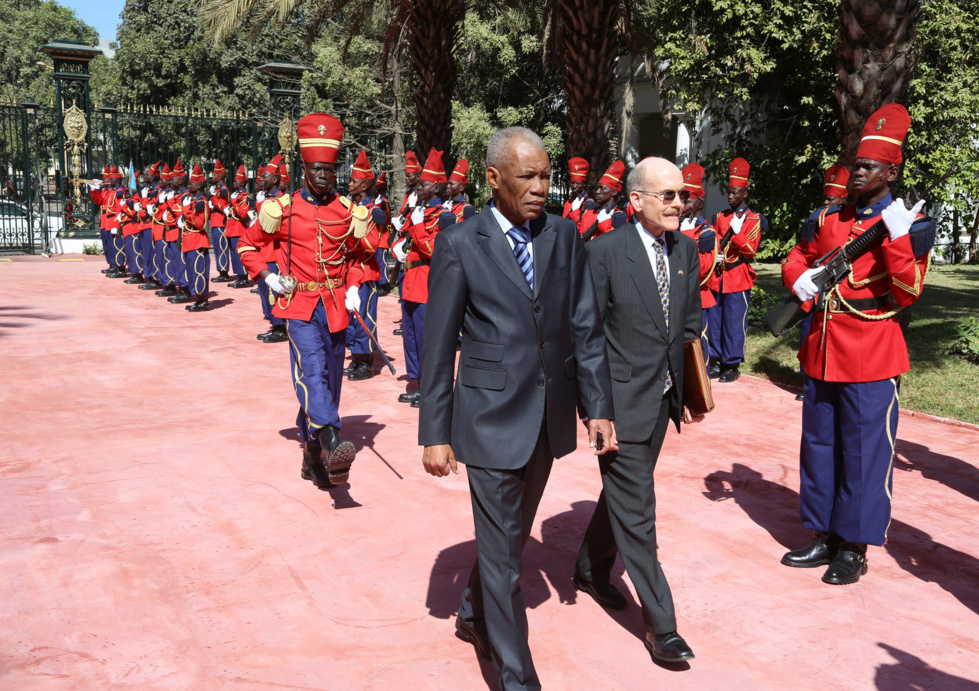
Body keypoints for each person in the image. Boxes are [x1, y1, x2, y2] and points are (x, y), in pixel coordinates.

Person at [419, 126, 615, 690]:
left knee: (508, 536)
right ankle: (516, 674)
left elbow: (585, 326)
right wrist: (435, 431)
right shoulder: (460, 242)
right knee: (506, 556)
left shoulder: (563, 236)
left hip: (548, 419)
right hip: (485, 419)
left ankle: (475, 613)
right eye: (527, 176)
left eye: (546, 176)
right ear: (493, 178)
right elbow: (438, 345)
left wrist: (596, 406)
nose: (540, 188)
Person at [780, 104, 934, 585]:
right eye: (856, 165)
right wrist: (798, 280)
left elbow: (908, 291)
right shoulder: (829, 216)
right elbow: (799, 256)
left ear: (892, 170)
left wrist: (894, 237)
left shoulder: (910, 226)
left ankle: (855, 546)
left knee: (865, 453)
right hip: (823, 349)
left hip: (871, 352)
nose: (856, 173)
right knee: (820, 446)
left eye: (867, 167)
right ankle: (824, 534)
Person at [573, 157, 699, 665]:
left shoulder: (686, 251)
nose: (678, 203)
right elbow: (586, 338)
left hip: (663, 401)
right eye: (666, 195)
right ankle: (662, 625)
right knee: (639, 511)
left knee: (624, 496)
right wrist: (595, 410)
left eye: (681, 195)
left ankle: (589, 567)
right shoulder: (603, 254)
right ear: (637, 201)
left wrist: (690, 391)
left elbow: (687, 327)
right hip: (619, 406)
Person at [237, 112, 367, 488]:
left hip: (337, 308)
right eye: (317, 169)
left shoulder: (346, 212)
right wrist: (268, 276)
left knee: (328, 385)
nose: (325, 177)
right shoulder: (284, 208)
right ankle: (330, 440)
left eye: (330, 169)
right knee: (311, 373)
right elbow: (248, 245)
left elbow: (360, 256)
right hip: (299, 309)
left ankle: (312, 457)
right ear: (304, 168)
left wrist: (355, 286)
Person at [391, 148, 450, 408]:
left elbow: (431, 249)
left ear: (436, 187)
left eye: (425, 184)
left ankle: (430, 386)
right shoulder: (419, 210)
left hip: (427, 281)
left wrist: (414, 227)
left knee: (426, 337)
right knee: (410, 336)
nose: (420, 187)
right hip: (410, 280)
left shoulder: (442, 216)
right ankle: (417, 380)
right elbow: (409, 242)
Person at [708, 158, 767, 382]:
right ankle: (715, 359)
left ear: (745, 193)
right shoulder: (722, 216)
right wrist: (717, 252)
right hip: (720, 273)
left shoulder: (754, 218)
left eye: (735, 192)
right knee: (716, 319)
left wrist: (738, 232)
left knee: (734, 321)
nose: (731, 196)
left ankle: (731, 364)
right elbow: (715, 239)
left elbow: (751, 250)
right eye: (729, 192)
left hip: (738, 275)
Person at [343, 150, 382, 381]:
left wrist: (350, 236)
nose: (350, 184)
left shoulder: (372, 211)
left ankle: (366, 362)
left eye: (354, 181)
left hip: (366, 271)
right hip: (348, 271)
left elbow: (372, 244)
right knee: (350, 317)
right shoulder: (348, 208)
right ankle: (355, 357)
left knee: (364, 317)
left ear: (365, 185)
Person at [678, 162, 718, 361]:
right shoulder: (671, 228)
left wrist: (685, 236)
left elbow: (702, 270)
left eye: (686, 199)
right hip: (672, 298)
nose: (680, 204)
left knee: (696, 353)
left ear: (698, 204)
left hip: (696, 299)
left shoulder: (706, 234)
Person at [180, 163, 213, 312]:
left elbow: (200, 224)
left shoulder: (201, 203)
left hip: (197, 241)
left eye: (193, 183)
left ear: (199, 185)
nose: (190, 186)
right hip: (189, 241)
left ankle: (202, 301)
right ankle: (198, 298)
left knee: (199, 272)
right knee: (192, 272)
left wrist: (186, 211)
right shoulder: (193, 200)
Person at [577, 160, 628, 241]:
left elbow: (618, 243)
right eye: (597, 188)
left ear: (614, 192)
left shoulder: (619, 217)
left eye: (602, 188)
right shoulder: (587, 213)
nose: (597, 192)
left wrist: (605, 223)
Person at [224, 165, 253, 289]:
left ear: (242, 183)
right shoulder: (236, 196)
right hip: (231, 229)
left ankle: (243, 277)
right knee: (233, 254)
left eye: (236, 181)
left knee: (240, 254)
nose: (234, 182)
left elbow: (242, 214)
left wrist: (234, 202)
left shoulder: (246, 198)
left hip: (239, 230)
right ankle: (238, 276)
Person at [208, 159, 233, 284]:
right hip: (215, 221)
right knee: (218, 248)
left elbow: (222, 206)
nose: (213, 176)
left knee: (222, 247)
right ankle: (221, 271)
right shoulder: (217, 189)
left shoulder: (223, 190)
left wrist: (212, 197)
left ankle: (224, 272)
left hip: (221, 221)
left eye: (216, 174)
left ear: (221, 176)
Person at [562, 156, 590, 221]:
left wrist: (575, 211)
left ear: (584, 184)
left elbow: (583, 229)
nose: (574, 186)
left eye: (578, 183)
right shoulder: (568, 203)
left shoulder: (589, 204)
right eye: (572, 182)